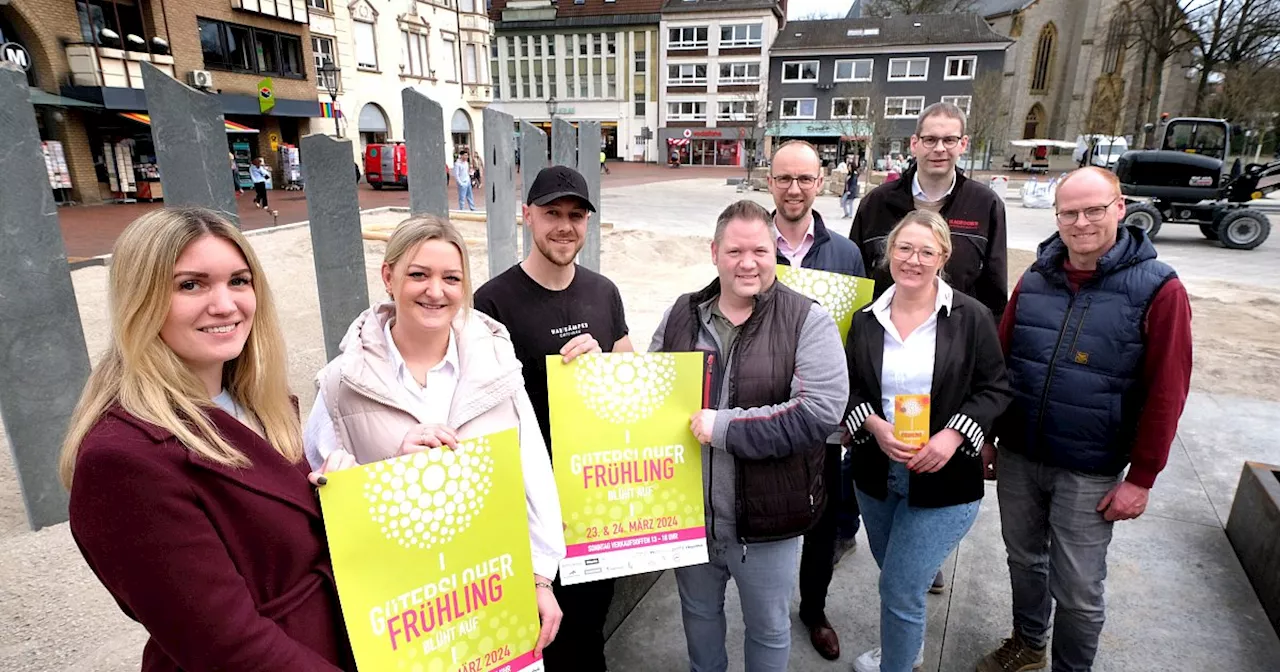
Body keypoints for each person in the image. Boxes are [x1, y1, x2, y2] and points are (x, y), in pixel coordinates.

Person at [60, 207, 355, 671]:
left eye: (238, 281)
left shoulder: (261, 404)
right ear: (141, 299)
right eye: (190, 285)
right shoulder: (122, 458)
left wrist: (355, 494)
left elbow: (278, 532)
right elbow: (228, 648)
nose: (225, 305)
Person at [304, 215, 567, 659]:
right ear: (388, 277)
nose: (435, 291)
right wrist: (386, 468)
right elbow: (326, 498)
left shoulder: (500, 371)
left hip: (491, 597)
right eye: (418, 275)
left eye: (451, 278)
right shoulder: (340, 384)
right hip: (406, 617)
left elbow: (533, 477)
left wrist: (540, 576)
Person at [978, 167, 1193, 672]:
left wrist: (1141, 478)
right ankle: (1029, 644)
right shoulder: (1034, 278)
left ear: (1120, 207)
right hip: (1020, 454)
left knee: (1077, 587)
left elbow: (1168, 391)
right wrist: (987, 437)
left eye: (1093, 209)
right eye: (1069, 212)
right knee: (1023, 561)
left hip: (1089, 468)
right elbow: (1002, 365)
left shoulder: (1160, 290)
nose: (1080, 222)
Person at [650, 199, 848, 672]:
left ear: (773, 253)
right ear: (714, 251)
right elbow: (648, 395)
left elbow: (819, 412)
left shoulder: (806, 319)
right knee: (699, 617)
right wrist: (597, 369)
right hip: (692, 518)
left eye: (759, 250)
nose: (748, 262)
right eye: (735, 250)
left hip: (766, 521)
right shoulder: (683, 315)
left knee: (769, 629)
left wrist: (726, 427)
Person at [473, 165, 632, 671]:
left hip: (595, 498)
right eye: (552, 214)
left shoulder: (603, 292)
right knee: (542, 637)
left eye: (575, 215)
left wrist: (605, 368)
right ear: (527, 217)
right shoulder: (492, 302)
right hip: (533, 506)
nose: (565, 226)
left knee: (589, 632)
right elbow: (478, 412)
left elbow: (632, 383)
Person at [842, 210, 1012, 672]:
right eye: (904, 248)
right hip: (877, 474)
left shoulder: (972, 317)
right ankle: (907, 645)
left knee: (899, 587)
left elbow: (996, 388)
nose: (913, 260)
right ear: (888, 252)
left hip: (944, 477)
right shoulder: (866, 319)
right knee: (900, 580)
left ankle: (898, 664)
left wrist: (954, 435)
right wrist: (874, 425)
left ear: (943, 257)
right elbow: (850, 389)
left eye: (926, 251)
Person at [851, 101, 1009, 595]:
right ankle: (911, 565)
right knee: (889, 517)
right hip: (885, 360)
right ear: (914, 143)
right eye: (930, 138)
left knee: (923, 523)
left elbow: (995, 296)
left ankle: (919, 562)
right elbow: (857, 284)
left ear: (963, 145)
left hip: (951, 376)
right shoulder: (878, 203)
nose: (939, 148)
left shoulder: (984, 204)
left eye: (950, 139)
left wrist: (975, 425)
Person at [767, 139, 866, 661]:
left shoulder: (845, 253)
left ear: (821, 182)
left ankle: (814, 608)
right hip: (764, 406)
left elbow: (857, 339)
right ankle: (767, 603)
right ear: (770, 182)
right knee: (770, 506)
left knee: (822, 516)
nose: (795, 188)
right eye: (785, 178)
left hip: (824, 414)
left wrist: (851, 409)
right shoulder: (749, 241)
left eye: (805, 178)